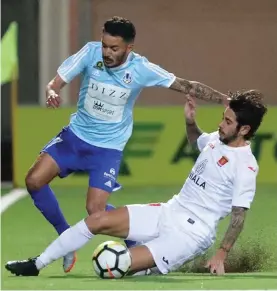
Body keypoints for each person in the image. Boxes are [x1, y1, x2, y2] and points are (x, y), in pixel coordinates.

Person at [24, 16, 228, 273]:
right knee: (33, 181)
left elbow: (186, 85)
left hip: (107, 149)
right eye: (104, 45)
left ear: (129, 48)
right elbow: (56, 81)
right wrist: (52, 91)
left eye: (114, 48)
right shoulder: (90, 52)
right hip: (74, 137)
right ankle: (66, 237)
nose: (107, 52)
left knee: (95, 211)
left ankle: (135, 243)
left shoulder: (142, 69)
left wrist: (223, 99)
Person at [6, 90, 267, 277]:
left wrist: (221, 253)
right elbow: (194, 141)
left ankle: (150, 267)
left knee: (115, 266)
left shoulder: (245, 166)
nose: (221, 124)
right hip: (169, 210)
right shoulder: (215, 139)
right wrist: (190, 122)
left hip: (191, 234)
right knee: (96, 219)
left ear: (244, 130)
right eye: (223, 117)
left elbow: (239, 216)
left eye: (228, 121)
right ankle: (36, 264)